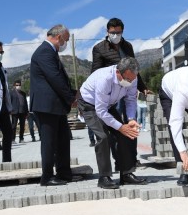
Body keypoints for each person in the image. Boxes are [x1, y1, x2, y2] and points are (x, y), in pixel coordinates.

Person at [91, 17, 151, 170]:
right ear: (107, 31)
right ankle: (119, 160)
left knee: (132, 122)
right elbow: (95, 72)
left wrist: (142, 87)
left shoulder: (128, 46)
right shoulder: (99, 48)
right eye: (113, 32)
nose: (115, 35)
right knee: (116, 126)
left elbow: (134, 69)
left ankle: (132, 158)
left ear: (122, 31)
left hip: (128, 88)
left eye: (118, 32)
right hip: (111, 92)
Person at [78, 57, 147, 189]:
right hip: (89, 105)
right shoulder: (104, 79)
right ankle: (104, 177)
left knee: (127, 133)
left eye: (133, 79)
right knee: (103, 137)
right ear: (118, 73)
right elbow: (100, 111)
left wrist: (131, 119)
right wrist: (120, 127)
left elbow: (131, 99)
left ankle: (126, 174)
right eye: (128, 79)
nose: (131, 82)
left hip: (108, 105)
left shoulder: (133, 76)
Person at [30, 24, 79, 186]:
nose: (65, 44)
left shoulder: (50, 52)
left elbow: (58, 79)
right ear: (58, 37)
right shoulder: (44, 51)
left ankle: (64, 174)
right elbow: (55, 78)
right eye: (65, 40)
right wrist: (71, 97)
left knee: (63, 140)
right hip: (46, 107)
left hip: (55, 106)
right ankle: (47, 177)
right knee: (49, 142)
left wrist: (72, 92)